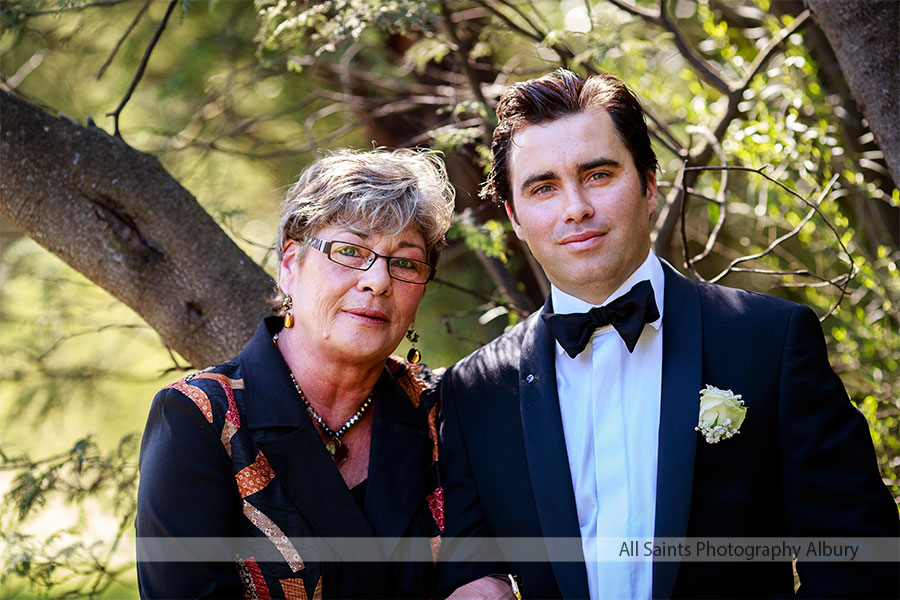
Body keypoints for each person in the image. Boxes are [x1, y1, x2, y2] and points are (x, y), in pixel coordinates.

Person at [437, 69, 899, 599]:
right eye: (544, 188)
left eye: (599, 174)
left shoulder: (770, 342)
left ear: (649, 183)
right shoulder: (473, 392)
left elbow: (861, 556)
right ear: (516, 217)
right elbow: (467, 572)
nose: (575, 208)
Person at [136, 148, 454, 598]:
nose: (378, 280)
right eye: (349, 250)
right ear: (289, 265)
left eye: (404, 262)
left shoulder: (441, 410)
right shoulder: (199, 418)